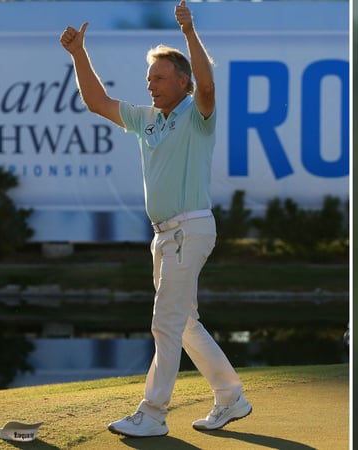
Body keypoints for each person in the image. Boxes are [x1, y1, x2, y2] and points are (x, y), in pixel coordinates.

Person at [60, 1, 251, 438]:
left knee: (165, 321)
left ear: (181, 82)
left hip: (190, 228)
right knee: (183, 323)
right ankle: (230, 396)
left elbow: (208, 84)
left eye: (159, 78)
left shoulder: (198, 113)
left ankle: (153, 412)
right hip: (165, 235)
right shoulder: (146, 119)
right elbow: (96, 101)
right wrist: (78, 54)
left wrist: (188, 31)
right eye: (149, 79)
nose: (151, 85)